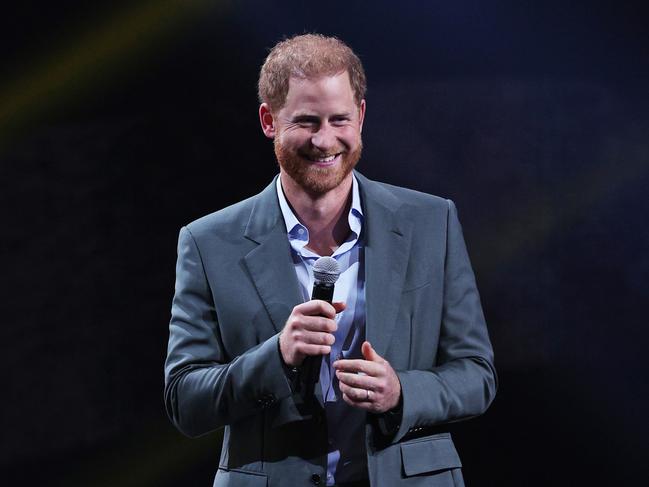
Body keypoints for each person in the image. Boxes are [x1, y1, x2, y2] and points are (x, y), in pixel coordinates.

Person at [164, 34, 496, 487]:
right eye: (306, 121)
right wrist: (277, 356)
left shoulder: (430, 222)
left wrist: (401, 392)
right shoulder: (208, 242)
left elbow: (476, 375)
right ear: (269, 120)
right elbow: (185, 399)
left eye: (339, 119)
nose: (325, 140)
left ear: (360, 116)